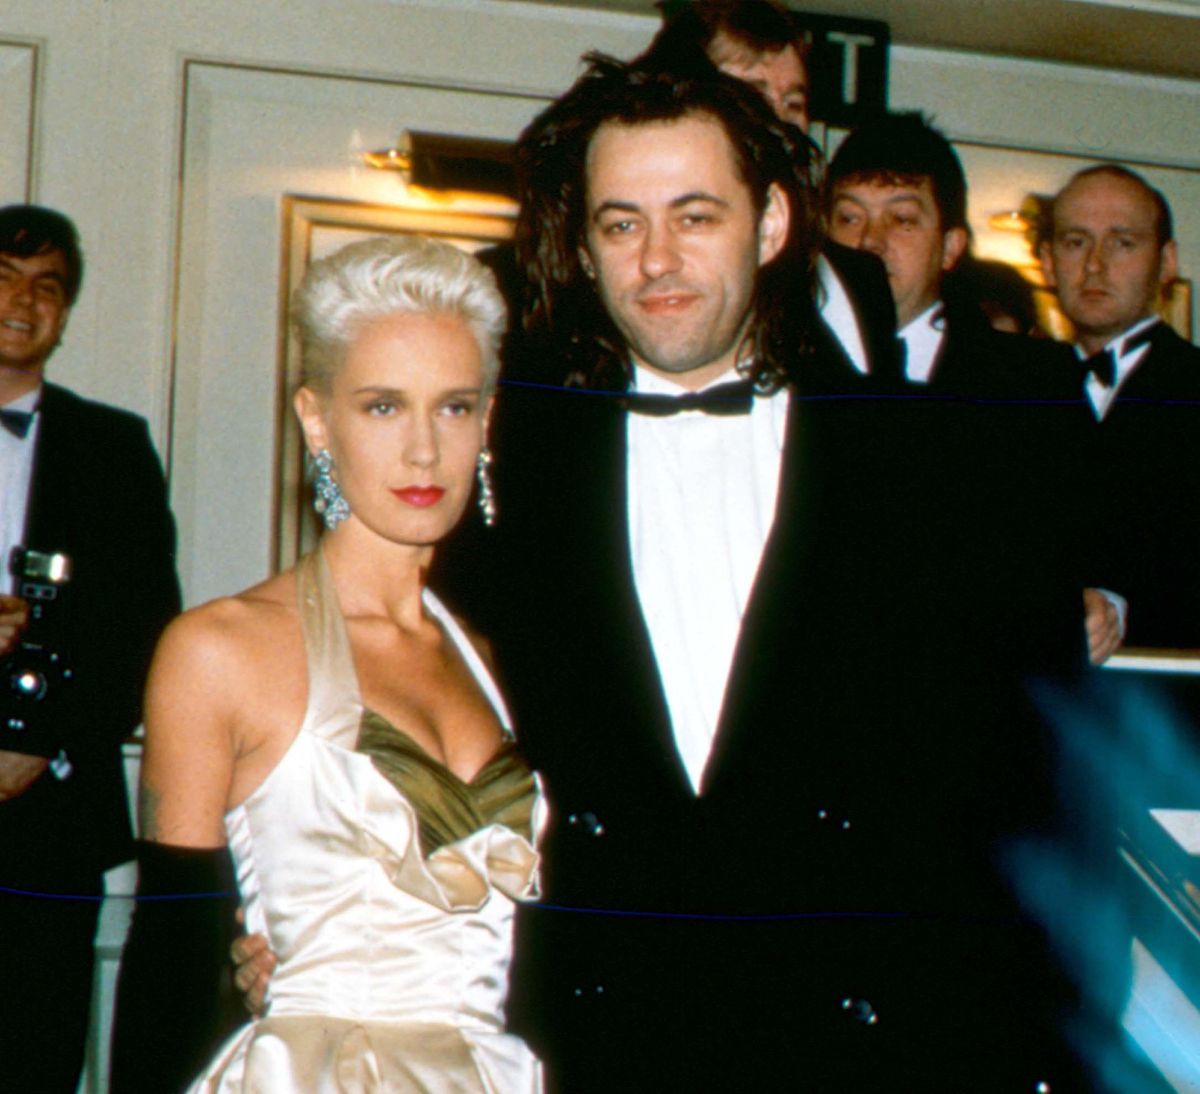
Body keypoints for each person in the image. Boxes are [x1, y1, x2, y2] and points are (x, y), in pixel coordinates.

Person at [111, 236, 542, 1092]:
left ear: (486, 422)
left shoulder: (500, 658)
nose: (424, 451)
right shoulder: (219, 650)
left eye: (454, 407)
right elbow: (168, 968)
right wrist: (247, 976)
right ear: (317, 421)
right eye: (383, 407)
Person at [826, 112, 1125, 665]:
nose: (870, 242)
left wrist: (1105, 602)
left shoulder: (1034, 382)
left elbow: (1100, 529)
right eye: (849, 217)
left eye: (903, 220)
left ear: (950, 246)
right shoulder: (784, 371)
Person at [0, 204, 180, 1093]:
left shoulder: (114, 447)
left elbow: (147, 631)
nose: (23, 302)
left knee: (35, 1063)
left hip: (51, 821)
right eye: (3, 278)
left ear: (65, 313)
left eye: (48, 287)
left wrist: (40, 740)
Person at [636, 0, 898, 383]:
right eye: (753, 96)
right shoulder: (656, 267)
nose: (781, 123)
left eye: (793, 103)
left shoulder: (859, 278)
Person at [1041, 164, 1200, 648]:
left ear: (1166, 262)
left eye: (1122, 243)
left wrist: (1120, 608)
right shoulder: (1010, 390)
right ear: (1047, 262)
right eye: (1076, 242)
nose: (1095, 265)